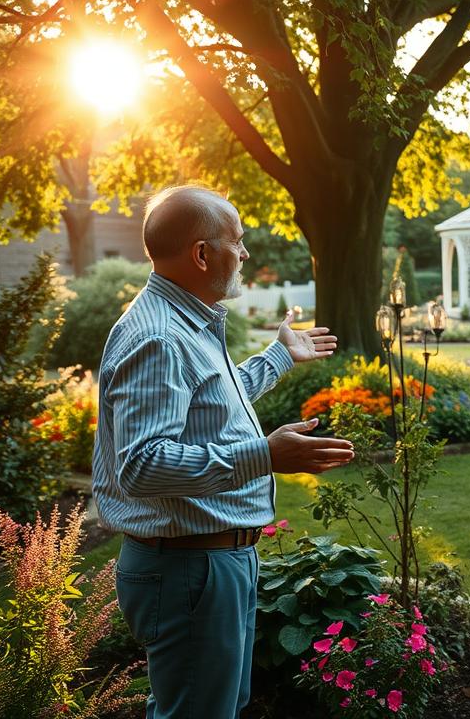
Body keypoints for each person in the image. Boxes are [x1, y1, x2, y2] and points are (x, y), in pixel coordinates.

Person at [92, 185, 355, 718]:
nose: (245, 253)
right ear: (202, 253)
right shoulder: (159, 337)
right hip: (189, 567)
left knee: (212, 706)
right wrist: (264, 454)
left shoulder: (185, 320)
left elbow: (209, 401)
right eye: (237, 241)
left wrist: (280, 356)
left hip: (206, 561)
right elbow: (142, 466)